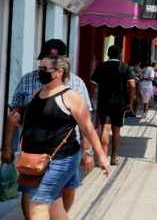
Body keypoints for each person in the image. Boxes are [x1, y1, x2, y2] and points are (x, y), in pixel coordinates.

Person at [1, 40, 95, 219]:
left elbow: (86, 121)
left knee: (66, 190)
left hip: (66, 153)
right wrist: (7, 147)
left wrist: (87, 151)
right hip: (33, 154)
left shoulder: (77, 84)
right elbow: (14, 116)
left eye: (56, 58)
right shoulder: (27, 81)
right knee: (30, 191)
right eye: (47, 58)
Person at [16, 56, 111, 220]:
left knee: (37, 205)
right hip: (35, 159)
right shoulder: (38, 93)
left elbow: (88, 127)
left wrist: (101, 156)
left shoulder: (70, 96)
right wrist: (17, 120)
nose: (40, 72)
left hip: (59, 159)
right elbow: (33, 125)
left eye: (45, 69)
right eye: (40, 68)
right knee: (54, 205)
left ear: (59, 72)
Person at [91, 45, 136, 166]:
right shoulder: (125, 67)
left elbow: (93, 84)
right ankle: (114, 157)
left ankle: (103, 157)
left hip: (103, 102)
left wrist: (94, 98)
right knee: (116, 130)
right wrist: (130, 103)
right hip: (119, 104)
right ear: (120, 55)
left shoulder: (101, 66)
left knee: (105, 128)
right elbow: (132, 85)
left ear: (108, 54)